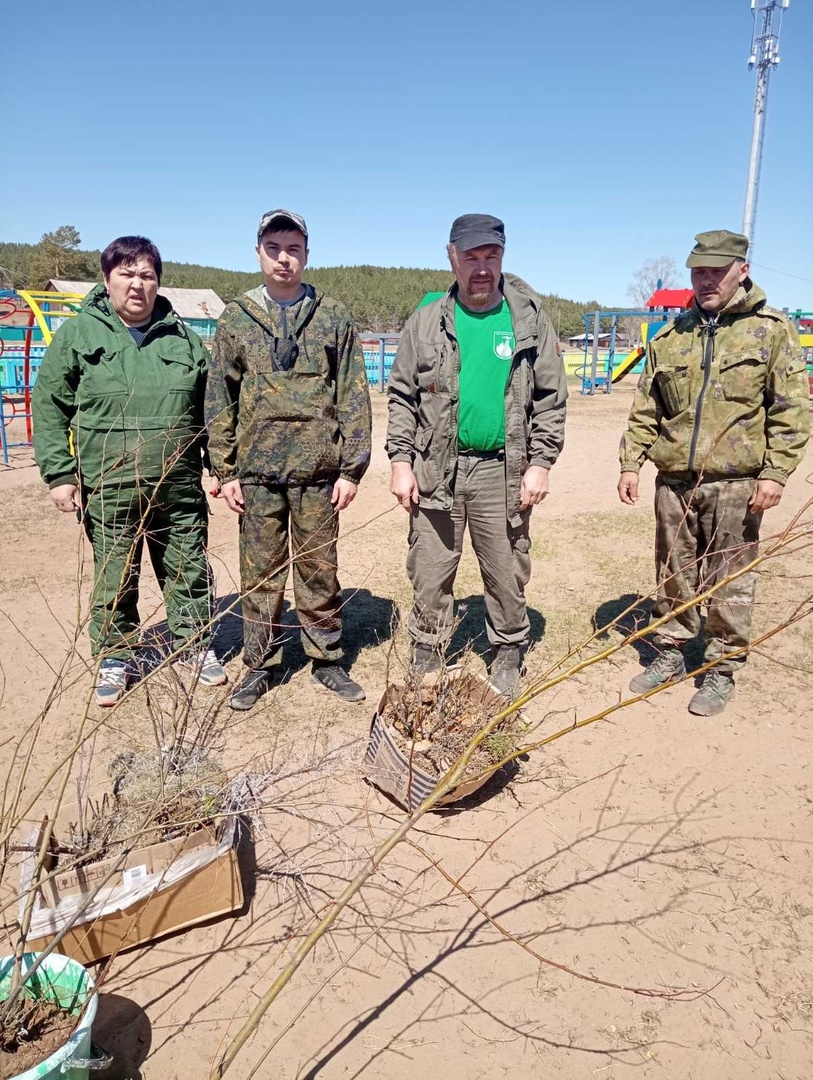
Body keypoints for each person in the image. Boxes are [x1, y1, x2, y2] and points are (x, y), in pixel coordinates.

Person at [618, 229, 810, 715]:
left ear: (741, 270)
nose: (706, 281)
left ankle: (722, 668)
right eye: (698, 271)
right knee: (672, 573)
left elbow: (791, 409)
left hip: (738, 483)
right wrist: (631, 462)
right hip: (675, 483)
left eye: (716, 272)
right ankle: (669, 653)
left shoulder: (771, 330)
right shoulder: (672, 335)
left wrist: (776, 473)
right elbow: (647, 406)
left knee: (730, 578)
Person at [32, 236, 225, 706]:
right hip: (109, 485)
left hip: (177, 485)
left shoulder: (184, 339)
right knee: (114, 576)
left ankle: (194, 644)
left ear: (158, 282)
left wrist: (217, 465)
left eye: (147, 275)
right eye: (127, 274)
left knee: (186, 568)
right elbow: (50, 404)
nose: (137, 284)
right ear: (107, 278)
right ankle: (116, 657)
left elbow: (213, 407)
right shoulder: (79, 335)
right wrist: (59, 475)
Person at [386, 213, 568, 696]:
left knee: (505, 569)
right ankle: (427, 650)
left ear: (503, 257)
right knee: (430, 569)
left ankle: (508, 652)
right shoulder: (426, 320)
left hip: (501, 472)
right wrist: (400, 461)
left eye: (491, 256)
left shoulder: (527, 319)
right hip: (436, 468)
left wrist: (540, 462)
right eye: (471, 257)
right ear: (452, 257)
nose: (482, 267)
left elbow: (551, 398)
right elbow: (402, 395)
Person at [205, 209, 372, 710]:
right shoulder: (236, 319)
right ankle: (260, 666)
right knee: (260, 574)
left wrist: (351, 469)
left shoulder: (333, 315)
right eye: (274, 247)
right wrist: (225, 469)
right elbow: (219, 398)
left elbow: (353, 395)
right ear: (258, 251)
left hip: (319, 475)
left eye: (294, 248)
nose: (284, 258)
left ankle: (326, 659)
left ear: (306, 253)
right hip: (257, 477)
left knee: (319, 569)